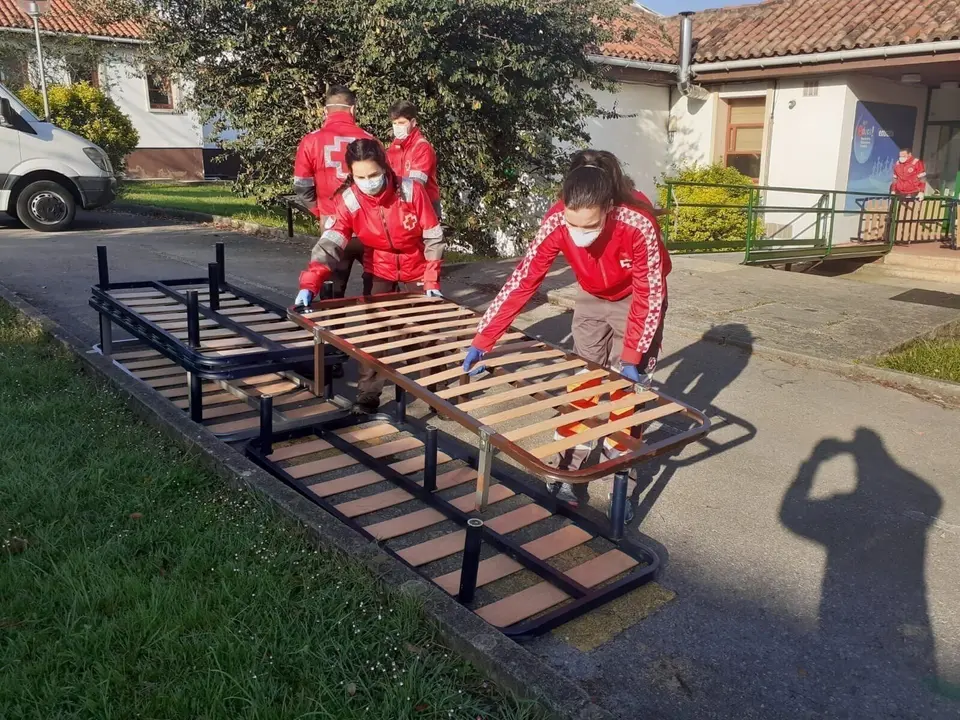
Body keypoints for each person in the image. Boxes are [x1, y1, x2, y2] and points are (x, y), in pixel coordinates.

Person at [461, 149, 672, 519]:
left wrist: (633, 358)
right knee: (585, 381)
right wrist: (484, 338)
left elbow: (650, 293)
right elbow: (523, 280)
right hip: (591, 295)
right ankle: (569, 466)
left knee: (625, 391)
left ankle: (621, 474)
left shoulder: (636, 222)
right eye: (574, 226)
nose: (580, 235)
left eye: (590, 227)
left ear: (609, 206)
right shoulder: (557, 221)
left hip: (635, 299)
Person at [295, 139, 445, 413]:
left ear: (385, 168)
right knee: (375, 331)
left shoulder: (411, 191)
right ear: (351, 175)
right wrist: (310, 282)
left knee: (426, 333)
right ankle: (368, 395)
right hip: (379, 266)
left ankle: (438, 394)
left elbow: (433, 236)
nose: (369, 181)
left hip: (417, 265)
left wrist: (431, 278)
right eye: (361, 177)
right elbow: (331, 243)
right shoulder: (349, 201)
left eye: (374, 175)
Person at [293, 85, 376, 299]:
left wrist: (319, 211)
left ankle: (331, 329)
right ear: (353, 110)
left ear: (325, 111)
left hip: (332, 225)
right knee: (378, 286)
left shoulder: (310, 140)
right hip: (369, 226)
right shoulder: (370, 140)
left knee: (332, 288)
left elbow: (302, 185)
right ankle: (376, 325)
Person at [386, 100, 442, 220]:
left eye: (401, 122)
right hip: (402, 208)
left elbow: (416, 185)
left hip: (425, 209)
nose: (397, 127)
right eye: (394, 123)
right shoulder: (394, 147)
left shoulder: (422, 147)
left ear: (413, 122)